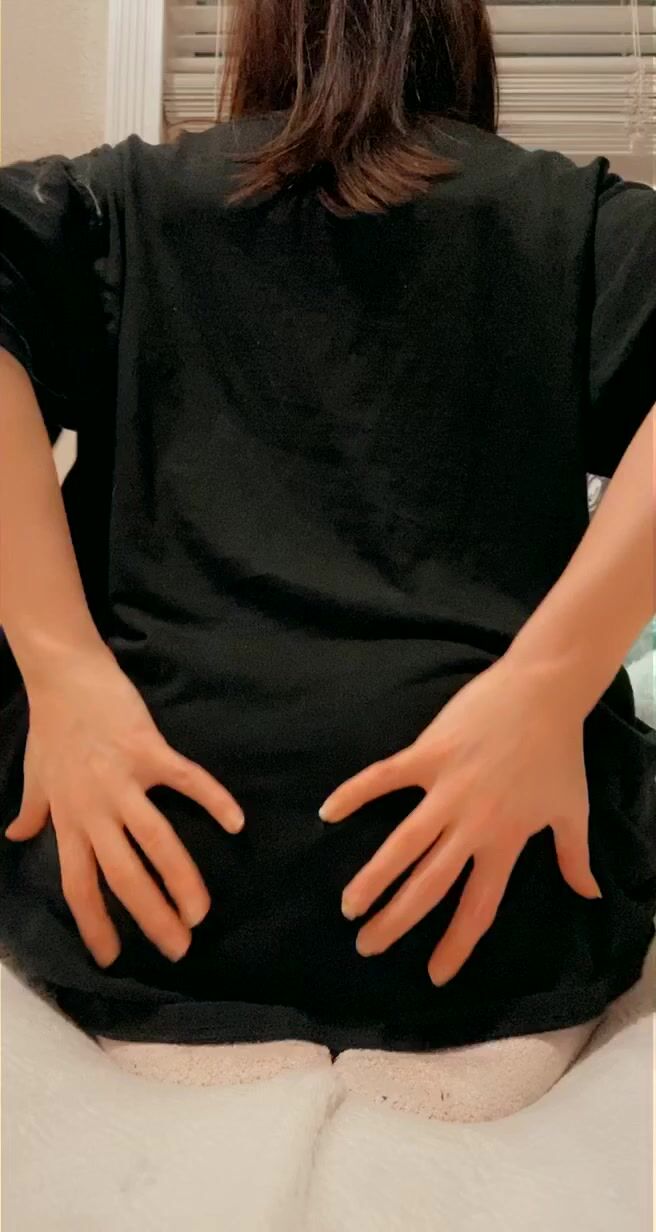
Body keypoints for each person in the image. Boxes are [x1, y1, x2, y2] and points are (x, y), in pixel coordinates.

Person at [0, 0, 654, 1121]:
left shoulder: (122, 204)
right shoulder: (574, 221)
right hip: (498, 916)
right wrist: (548, 688)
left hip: (151, 889)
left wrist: (61, 667)